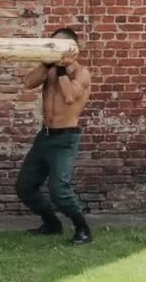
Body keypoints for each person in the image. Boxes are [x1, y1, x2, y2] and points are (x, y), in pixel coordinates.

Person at [16, 28, 92, 245]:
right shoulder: (49, 71)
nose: (53, 49)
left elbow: (69, 97)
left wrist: (60, 70)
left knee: (60, 191)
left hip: (65, 139)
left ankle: (83, 229)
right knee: (25, 187)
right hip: (45, 137)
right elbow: (28, 82)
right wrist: (47, 64)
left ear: (72, 49)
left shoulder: (82, 73)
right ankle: (51, 224)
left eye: (57, 46)